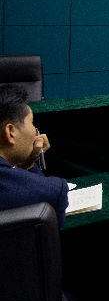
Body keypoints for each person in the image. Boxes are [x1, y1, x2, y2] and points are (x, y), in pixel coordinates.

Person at [0, 86, 68, 228]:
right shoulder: (53, 191)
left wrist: (27, 164)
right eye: (31, 122)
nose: (35, 131)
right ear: (10, 132)